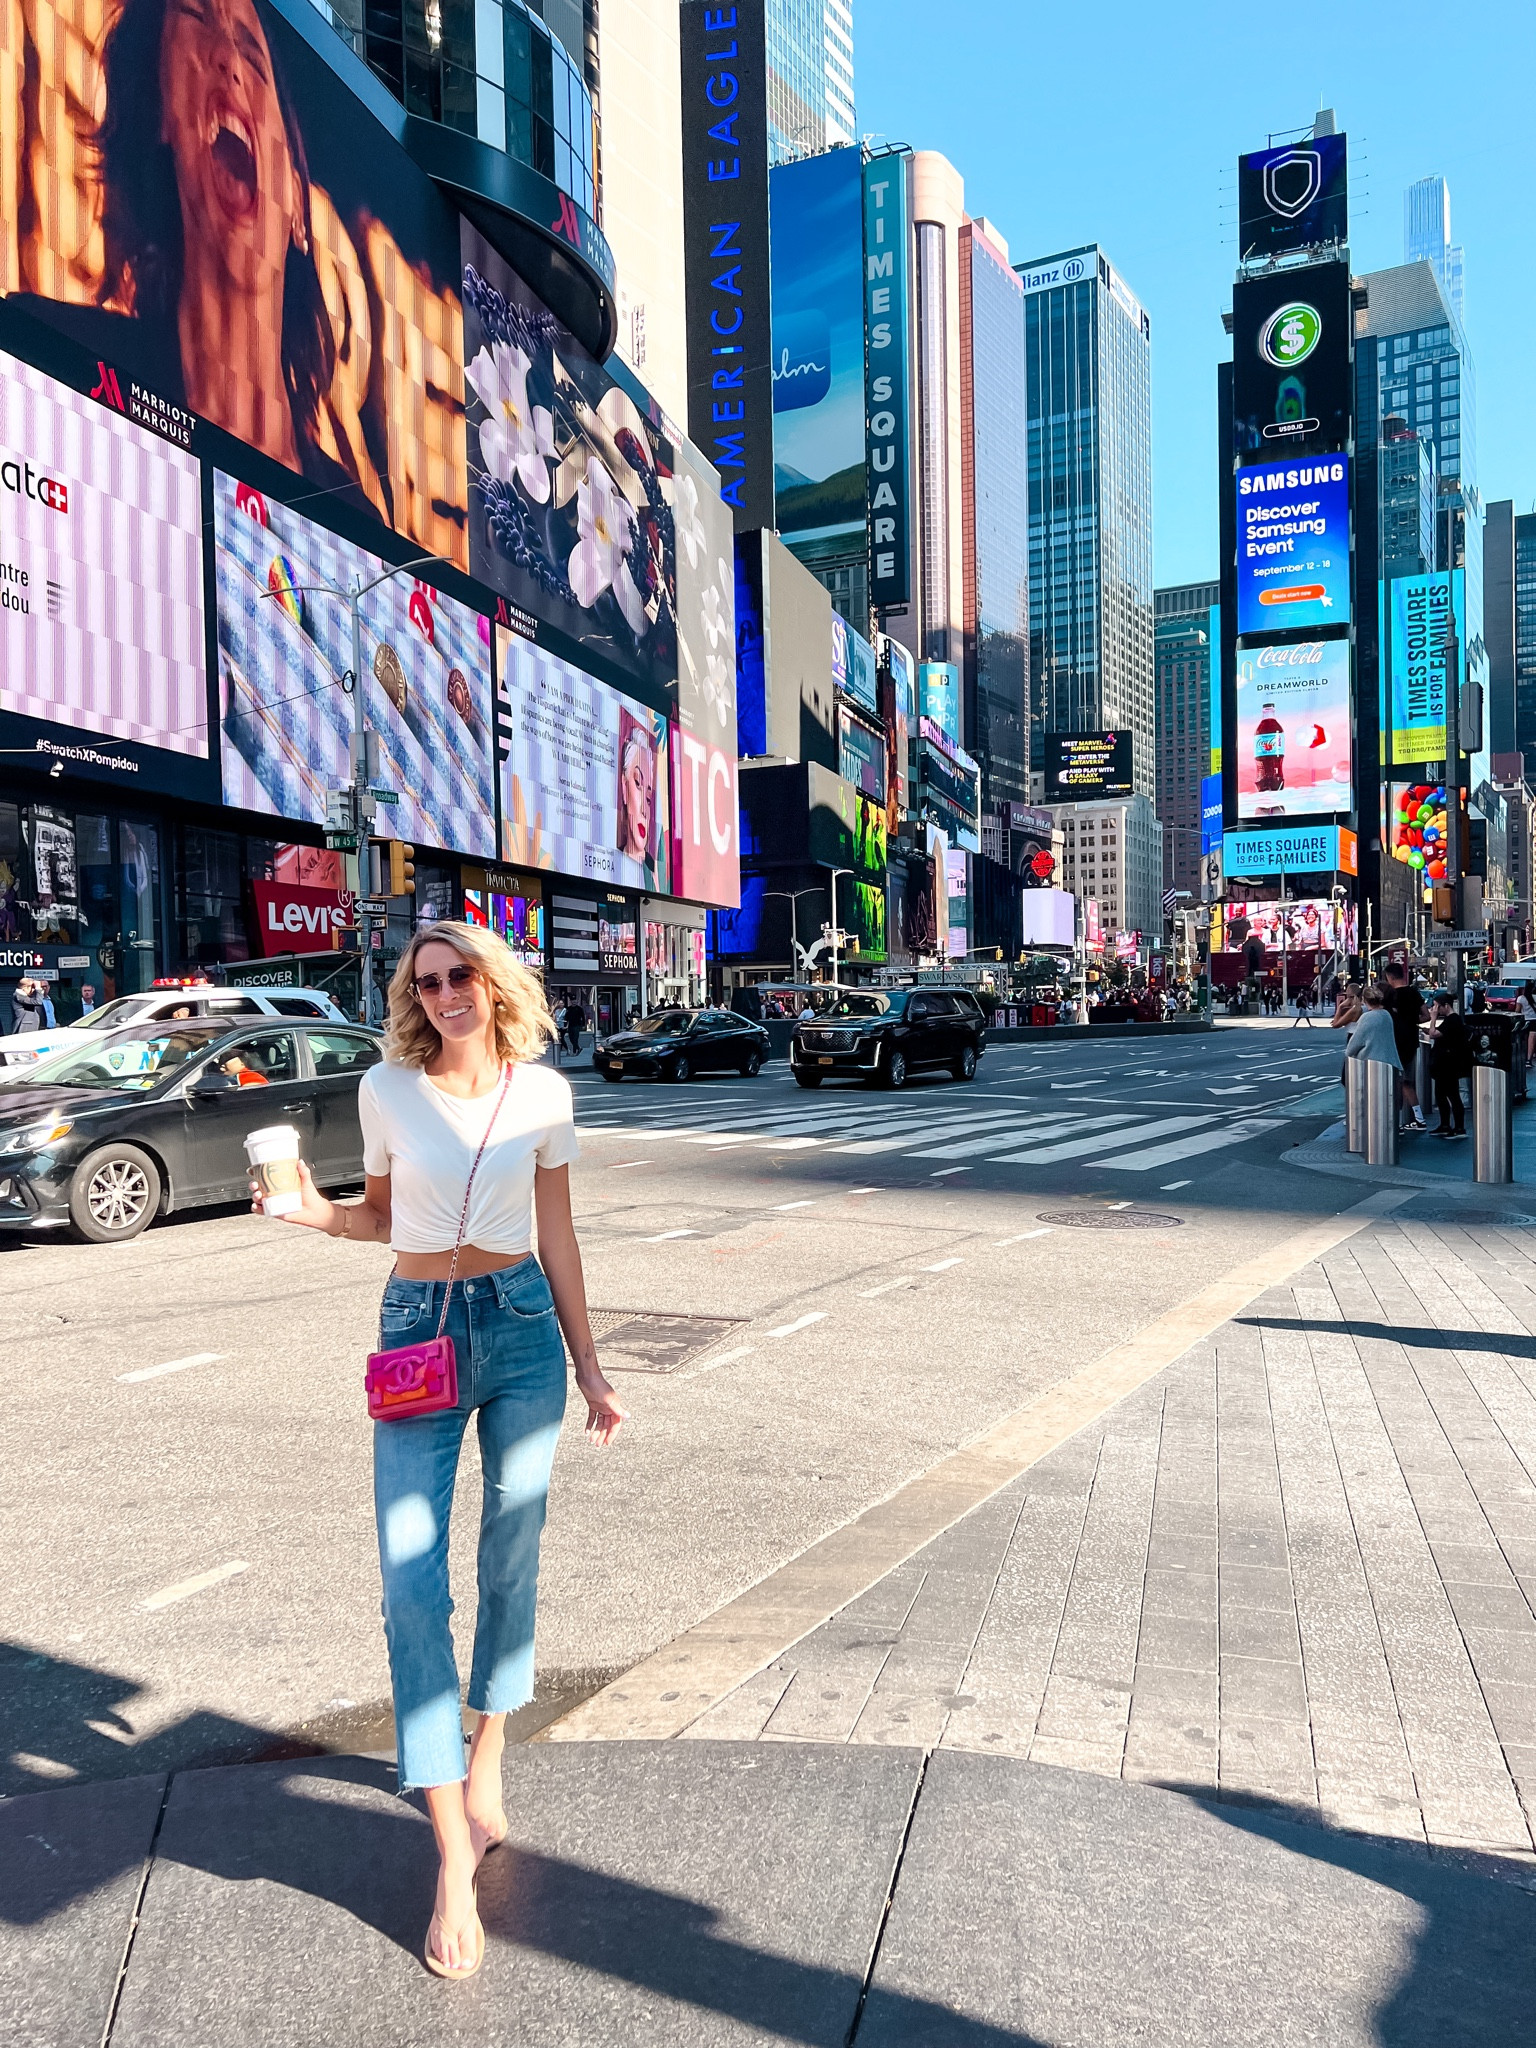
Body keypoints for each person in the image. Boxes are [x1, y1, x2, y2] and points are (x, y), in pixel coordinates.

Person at [262, 921, 624, 1982]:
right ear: (411, 996)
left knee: (510, 1557)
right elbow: (379, 1217)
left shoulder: (546, 1095)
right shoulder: (386, 1088)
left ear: (495, 982)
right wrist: (308, 1212)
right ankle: (450, 1851)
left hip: (520, 1330)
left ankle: (487, 1757)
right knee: (409, 1583)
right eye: (426, 981)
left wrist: (592, 1366)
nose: (445, 992)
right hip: (416, 1322)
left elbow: (558, 1235)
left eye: (461, 972)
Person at [19, 0, 354, 492]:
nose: (230, 62)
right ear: (165, 117)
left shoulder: (352, 513)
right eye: (197, 20)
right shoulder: (50, 350)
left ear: (300, 211)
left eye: (254, 59)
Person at [1382, 963, 1426, 1133]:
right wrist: (1411, 1023)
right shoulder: (1414, 992)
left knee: (1395, 1082)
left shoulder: (1391, 995)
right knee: (1407, 1081)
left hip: (1394, 1042)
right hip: (1411, 1041)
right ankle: (1418, 1117)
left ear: (1390, 977)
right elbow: (1426, 1015)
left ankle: (1397, 1121)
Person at [1427, 990, 1471, 1139]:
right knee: (1440, 1093)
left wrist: (1432, 1019)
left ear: (1445, 1006)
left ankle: (1459, 1127)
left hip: (1449, 1063)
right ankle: (1445, 1124)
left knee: (1452, 1094)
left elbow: (1434, 1034)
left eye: (1436, 1007)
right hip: (1445, 1063)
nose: (1435, 1010)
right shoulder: (1451, 1020)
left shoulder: (1453, 1020)